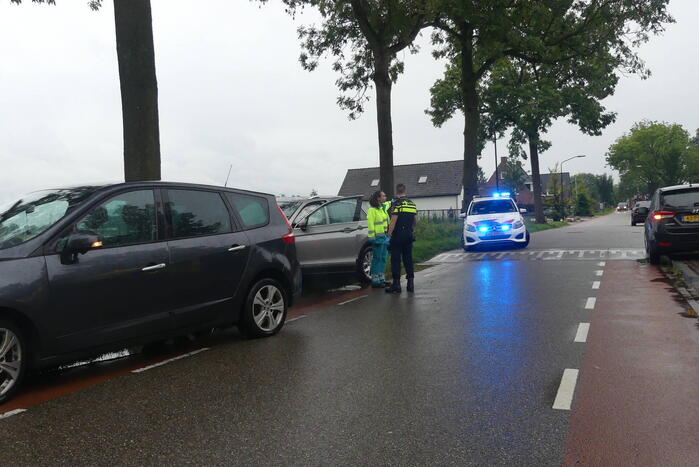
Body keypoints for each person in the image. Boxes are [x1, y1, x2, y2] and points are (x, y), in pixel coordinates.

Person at [386, 183, 417, 294]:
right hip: (408, 234)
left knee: (396, 259)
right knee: (408, 258)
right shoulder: (412, 204)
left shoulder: (397, 204)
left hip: (398, 235)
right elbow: (416, 221)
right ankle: (410, 284)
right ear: (405, 190)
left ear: (397, 192)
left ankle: (396, 285)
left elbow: (393, 221)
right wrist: (410, 228)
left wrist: (389, 235)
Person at [367, 190, 391, 288]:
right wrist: (372, 238)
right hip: (377, 238)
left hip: (384, 237)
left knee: (383, 258)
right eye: (383, 196)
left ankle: (381, 279)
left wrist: (394, 201)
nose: (385, 197)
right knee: (377, 259)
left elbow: (388, 203)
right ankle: (375, 281)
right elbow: (370, 224)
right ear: (378, 198)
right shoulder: (372, 210)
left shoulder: (382, 208)